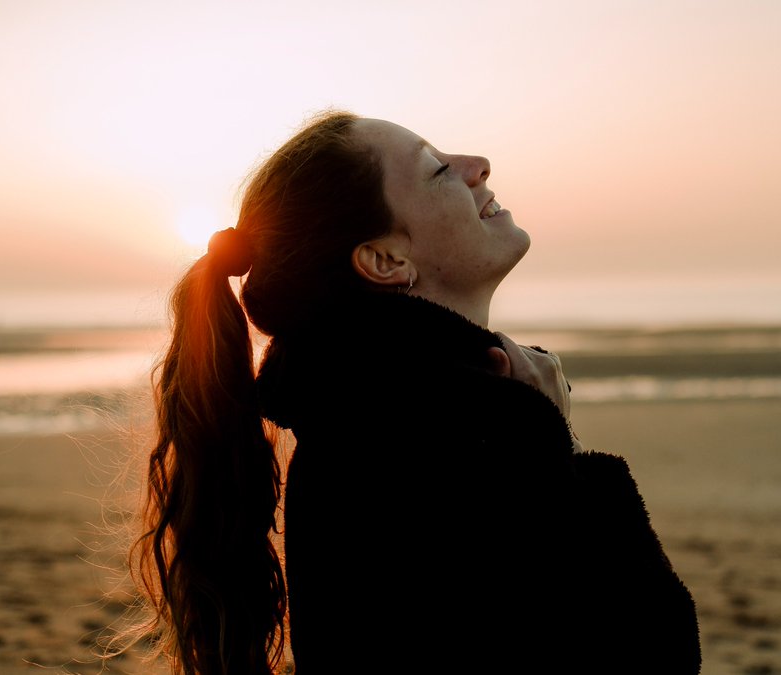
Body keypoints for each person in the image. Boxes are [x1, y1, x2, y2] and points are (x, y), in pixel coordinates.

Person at [129, 111, 701, 674]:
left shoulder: (358, 421)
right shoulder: (450, 436)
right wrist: (558, 443)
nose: (476, 165)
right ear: (384, 260)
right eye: (436, 169)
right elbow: (654, 651)